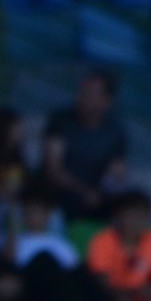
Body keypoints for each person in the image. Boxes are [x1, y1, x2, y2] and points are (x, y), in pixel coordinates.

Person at [41, 72, 129, 220]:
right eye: (83, 92)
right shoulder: (61, 122)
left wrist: (108, 187)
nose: (84, 98)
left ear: (107, 100)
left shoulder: (115, 132)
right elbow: (53, 169)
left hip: (98, 203)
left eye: (91, 94)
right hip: (59, 201)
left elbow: (116, 173)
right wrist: (83, 191)